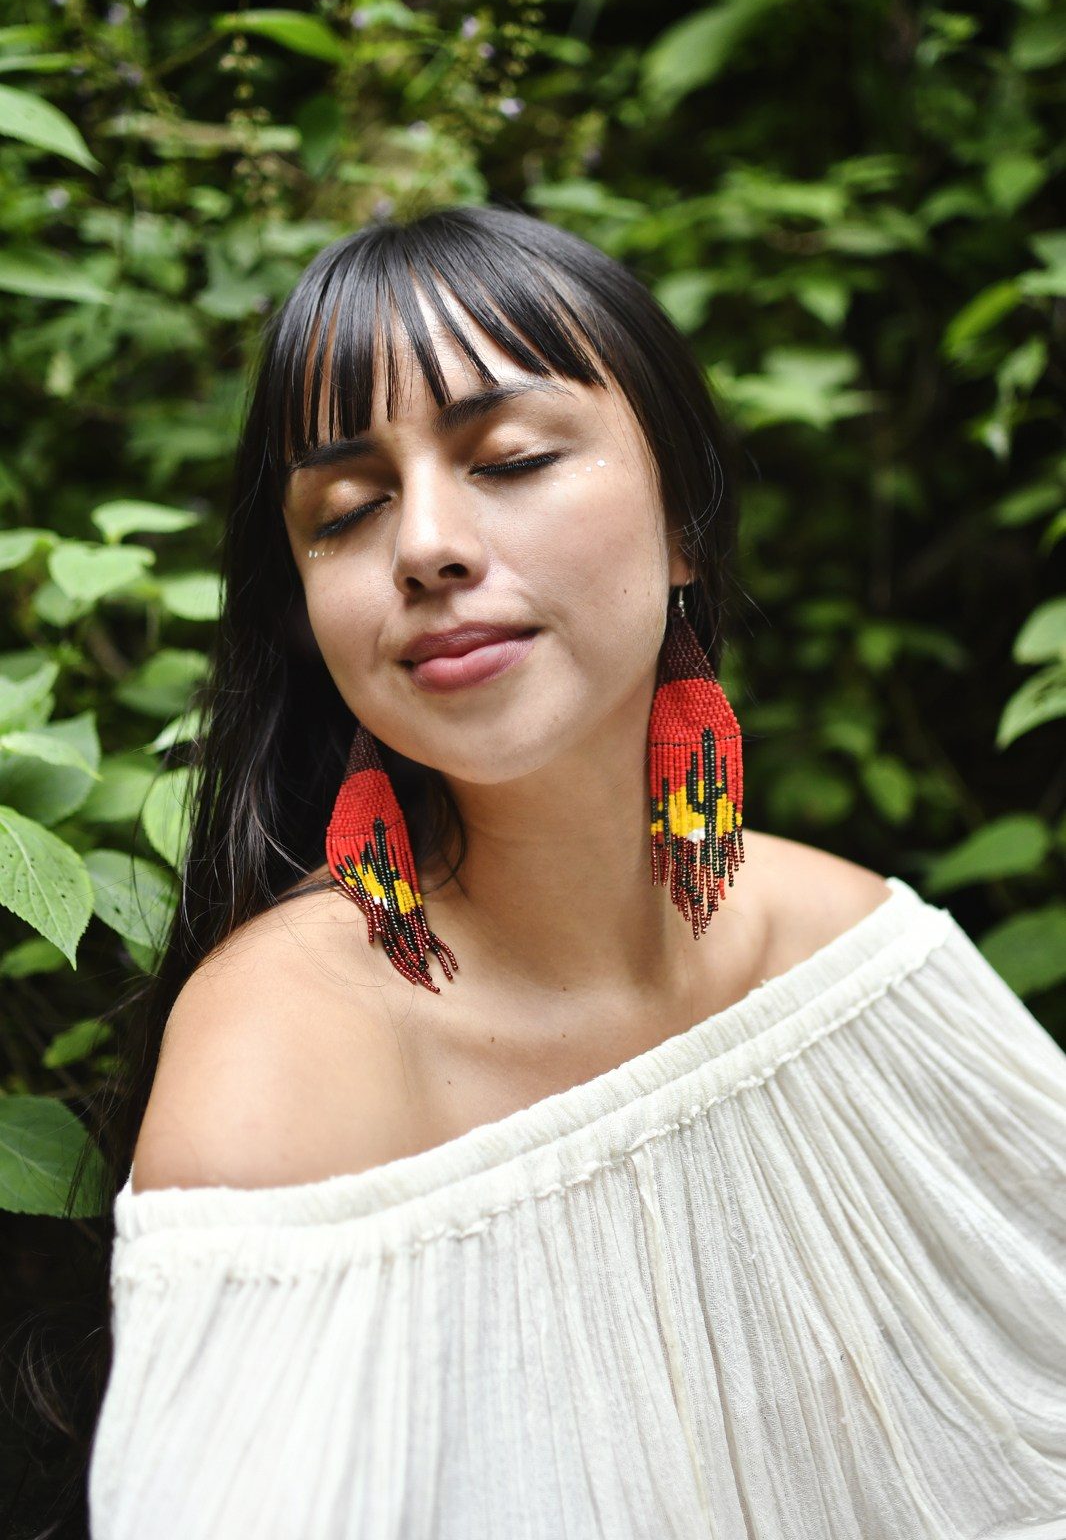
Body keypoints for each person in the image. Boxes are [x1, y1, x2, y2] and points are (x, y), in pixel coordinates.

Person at [87, 204, 1066, 1539]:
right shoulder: (285, 1051)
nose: (424, 544)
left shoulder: (854, 960)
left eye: (513, 457)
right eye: (347, 508)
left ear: (685, 533)